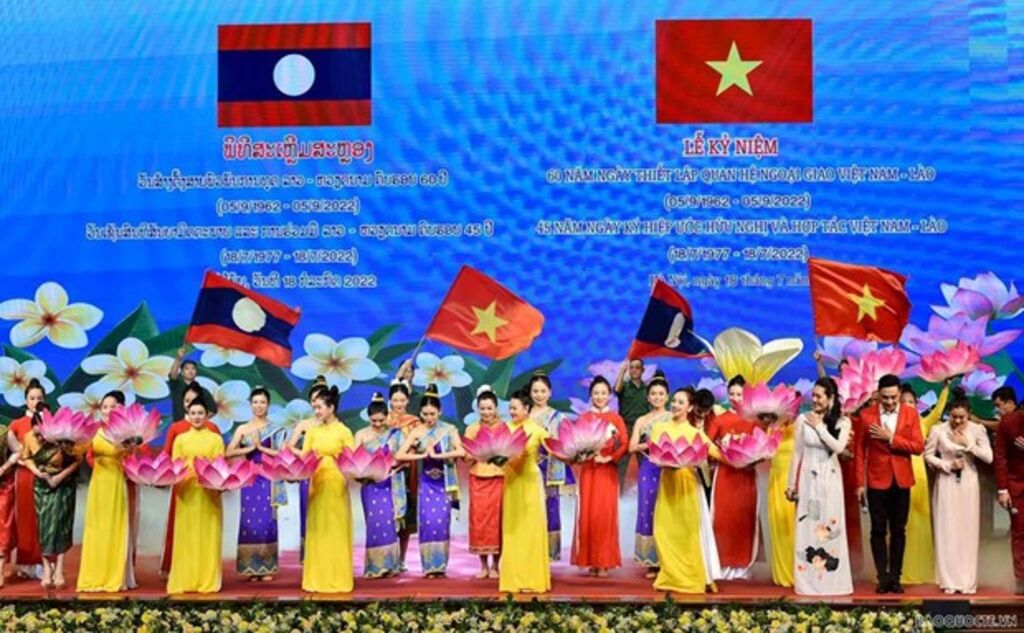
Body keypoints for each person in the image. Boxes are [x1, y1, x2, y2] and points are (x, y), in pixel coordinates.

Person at [854, 373, 925, 594]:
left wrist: (891, 438)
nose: (890, 402)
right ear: (878, 394)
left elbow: (918, 446)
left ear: (899, 393)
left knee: (898, 530)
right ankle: (882, 577)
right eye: (885, 397)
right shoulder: (866, 415)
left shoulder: (910, 414)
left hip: (902, 480)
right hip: (876, 480)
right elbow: (859, 452)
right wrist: (859, 483)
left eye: (894, 397)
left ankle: (895, 577)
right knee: (877, 530)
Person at [785, 377, 853, 596]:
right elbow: (797, 453)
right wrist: (791, 484)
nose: (814, 400)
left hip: (830, 478)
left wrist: (820, 428)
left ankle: (833, 582)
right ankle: (807, 583)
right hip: (808, 480)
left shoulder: (842, 422)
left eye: (819, 396)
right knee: (808, 525)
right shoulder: (803, 419)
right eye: (813, 395)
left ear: (830, 398)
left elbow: (839, 447)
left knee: (829, 527)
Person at [652, 387, 721, 594]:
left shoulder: (695, 434)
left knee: (689, 534)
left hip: (688, 487)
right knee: (663, 532)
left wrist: (743, 456)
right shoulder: (659, 428)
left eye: (681, 402)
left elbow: (716, 453)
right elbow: (655, 455)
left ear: (690, 408)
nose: (675, 405)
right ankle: (670, 576)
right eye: (674, 401)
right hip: (667, 486)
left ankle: (693, 577)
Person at [289, 385, 356, 593]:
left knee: (336, 527)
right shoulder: (312, 431)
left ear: (331, 408)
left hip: (336, 482)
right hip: (316, 481)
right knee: (318, 528)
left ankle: (338, 578)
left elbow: (352, 460)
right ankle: (317, 578)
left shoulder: (344, 431)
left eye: (319, 407)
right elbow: (305, 457)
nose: (316, 411)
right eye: (315, 408)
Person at [926, 397, 992, 594]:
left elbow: (989, 457)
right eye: (953, 417)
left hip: (969, 483)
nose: (957, 421)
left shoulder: (977, 430)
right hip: (946, 483)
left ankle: (967, 581)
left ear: (968, 414)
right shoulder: (938, 430)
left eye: (962, 417)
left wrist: (968, 444)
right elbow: (928, 455)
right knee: (947, 529)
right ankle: (948, 581)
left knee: (967, 530)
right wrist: (946, 465)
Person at [396, 384, 464, 577]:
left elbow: (461, 451)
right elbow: (400, 454)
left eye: (432, 414)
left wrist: (438, 456)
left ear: (440, 411)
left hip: (443, 484)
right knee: (427, 523)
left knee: (441, 523)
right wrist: (422, 456)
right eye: (425, 414)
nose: (429, 418)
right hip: (425, 484)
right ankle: (428, 567)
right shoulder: (417, 431)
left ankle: (440, 566)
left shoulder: (449, 429)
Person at [77, 390, 141, 592]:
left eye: (112, 406)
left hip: (117, 483)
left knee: (115, 527)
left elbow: (134, 461)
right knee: (96, 528)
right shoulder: (94, 430)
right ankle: (94, 574)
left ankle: (116, 575)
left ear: (121, 408)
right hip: (98, 484)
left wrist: (130, 450)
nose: (108, 410)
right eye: (104, 407)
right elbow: (88, 455)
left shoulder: (128, 432)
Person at [159, 383, 221, 576]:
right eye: (187, 402)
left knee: (206, 529)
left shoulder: (214, 431)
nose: (195, 413)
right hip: (184, 487)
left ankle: (205, 571)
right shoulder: (177, 430)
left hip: (207, 489)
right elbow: (168, 456)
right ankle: (177, 568)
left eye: (198, 409)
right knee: (181, 528)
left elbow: (219, 462)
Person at [571, 376, 628, 577]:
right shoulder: (584, 418)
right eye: (596, 393)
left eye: (604, 393)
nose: (600, 396)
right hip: (588, 471)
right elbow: (575, 442)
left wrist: (609, 457)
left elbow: (624, 443)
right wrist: (582, 454)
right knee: (588, 514)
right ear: (590, 395)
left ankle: (603, 562)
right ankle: (590, 560)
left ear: (610, 395)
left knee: (604, 515)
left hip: (607, 471)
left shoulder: (616, 419)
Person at [167, 399, 226, 594]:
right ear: (188, 414)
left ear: (207, 415)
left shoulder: (215, 439)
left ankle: (207, 580)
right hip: (187, 492)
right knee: (187, 536)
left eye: (200, 413)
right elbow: (175, 465)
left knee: (208, 534)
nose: (197, 417)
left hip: (208, 492)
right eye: (193, 413)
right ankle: (185, 579)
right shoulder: (180, 439)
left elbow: (219, 465)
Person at [19, 406, 81, 590]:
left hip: (63, 486)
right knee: (44, 528)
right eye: (36, 434)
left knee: (61, 527)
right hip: (42, 487)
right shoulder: (29, 437)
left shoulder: (62, 438)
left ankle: (59, 569)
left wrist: (58, 478)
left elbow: (77, 461)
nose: (39, 438)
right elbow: (26, 457)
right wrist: (36, 471)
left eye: (42, 434)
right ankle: (47, 569)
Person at [225, 387, 283, 581]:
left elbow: (282, 453)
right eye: (255, 402)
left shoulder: (275, 428)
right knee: (249, 521)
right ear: (250, 405)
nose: (259, 406)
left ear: (268, 405)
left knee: (267, 521)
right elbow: (228, 452)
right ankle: (250, 566)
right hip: (250, 478)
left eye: (263, 402)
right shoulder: (243, 429)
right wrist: (249, 448)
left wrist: (261, 449)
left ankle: (266, 567)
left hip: (268, 477)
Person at [706, 374, 760, 580]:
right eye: (732, 394)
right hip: (725, 476)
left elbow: (763, 446)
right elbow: (706, 444)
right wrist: (725, 458)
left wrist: (752, 460)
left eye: (740, 394)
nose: (736, 398)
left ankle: (742, 566)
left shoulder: (754, 420)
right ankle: (720, 564)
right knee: (723, 519)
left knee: (744, 520)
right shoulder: (720, 420)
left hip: (746, 477)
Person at [899, 381, 950, 585]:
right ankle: (901, 568)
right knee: (901, 521)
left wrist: (945, 388)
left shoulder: (923, 423)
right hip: (899, 473)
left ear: (917, 404)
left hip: (918, 476)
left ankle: (921, 569)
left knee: (920, 521)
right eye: (903, 402)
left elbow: (937, 412)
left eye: (911, 402)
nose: (907, 405)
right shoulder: (893, 424)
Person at [499, 389, 550, 593]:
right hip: (512, 482)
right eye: (510, 408)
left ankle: (531, 579)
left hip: (530, 481)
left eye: (515, 408)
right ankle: (513, 579)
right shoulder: (505, 428)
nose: (512, 411)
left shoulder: (537, 430)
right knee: (513, 530)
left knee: (531, 529)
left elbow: (555, 449)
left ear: (526, 408)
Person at [353, 393, 402, 579]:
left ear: (387, 416)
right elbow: (355, 461)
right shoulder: (361, 435)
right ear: (368, 418)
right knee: (374, 524)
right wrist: (362, 473)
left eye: (381, 420)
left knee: (388, 523)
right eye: (374, 421)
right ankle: (375, 567)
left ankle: (391, 565)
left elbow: (402, 457)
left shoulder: (395, 435)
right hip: (370, 485)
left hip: (389, 484)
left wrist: (394, 464)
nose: (378, 424)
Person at [629, 372, 670, 577]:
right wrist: (650, 444)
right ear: (647, 397)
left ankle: (669, 559)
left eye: (661, 394)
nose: (657, 397)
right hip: (648, 467)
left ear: (667, 397)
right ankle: (652, 561)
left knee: (668, 511)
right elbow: (631, 447)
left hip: (669, 469)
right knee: (648, 509)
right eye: (653, 394)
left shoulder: (673, 418)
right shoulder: (642, 420)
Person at [528, 372, 572, 560]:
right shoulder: (524, 415)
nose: (539, 395)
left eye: (543, 391)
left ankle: (548, 556)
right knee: (528, 511)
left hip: (550, 471)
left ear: (550, 392)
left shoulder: (558, 417)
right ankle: (529, 554)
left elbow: (566, 444)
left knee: (550, 510)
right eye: (535, 391)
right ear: (530, 393)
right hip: (527, 470)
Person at [464, 386, 505, 579]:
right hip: (478, 478)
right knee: (479, 521)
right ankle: (483, 565)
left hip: (498, 478)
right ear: (477, 409)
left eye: (489, 408)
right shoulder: (472, 429)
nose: (486, 412)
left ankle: (496, 565)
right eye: (482, 408)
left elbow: (509, 454)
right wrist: (477, 452)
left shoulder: (504, 427)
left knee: (497, 522)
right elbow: (466, 457)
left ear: (496, 408)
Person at [8, 380, 45, 579]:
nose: (35, 401)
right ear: (26, 401)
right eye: (32, 398)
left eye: (39, 398)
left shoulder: (49, 423)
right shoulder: (16, 425)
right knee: (24, 518)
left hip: (44, 475)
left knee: (43, 519)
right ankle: (24, 564)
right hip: (24, 476)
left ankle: (43, 563)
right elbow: (9, 452)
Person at [387, 380, 420, 571]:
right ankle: (388, 558)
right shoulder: (383, 420)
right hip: (387, 473)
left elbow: (421, 444)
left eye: (402, 400)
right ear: (390, 401)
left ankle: (402, 559)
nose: (398, 404)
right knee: (388, 516)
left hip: (408, 472)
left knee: (405, 519)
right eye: (395, 400)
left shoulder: (414, 422)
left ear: (407, 401)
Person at [994, 386, 1024, 594]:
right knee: (1020, 531)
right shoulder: (1009, 422)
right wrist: (1002, 489)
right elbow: (1001, 457)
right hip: (1017, 485)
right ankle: (1021, 578)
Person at [767, 406, 798, 588]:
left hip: (793, 480)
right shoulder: (772, 427)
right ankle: (781, 573)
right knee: (777, 524)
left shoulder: (801, 426)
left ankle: (797, 572)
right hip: (775, 479)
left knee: (792, 525)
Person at [166, 347, 216, 422]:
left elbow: (213, 410)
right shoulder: (176, 386)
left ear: (196, 372)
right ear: (182, 372)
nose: (190, 371)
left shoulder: (203, 391)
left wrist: (198, 420)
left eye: (193, 369)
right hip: (179, 424)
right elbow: (173, 375)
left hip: (196, 428)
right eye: (187, 369)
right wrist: (178, 358)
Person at [0, 414, 16, 588]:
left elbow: (18, 451)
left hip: (2, 486)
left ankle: (0, 570)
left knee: (2, 527)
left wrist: (4, 467)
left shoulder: (4, 432)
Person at [614, 358, 650, 435]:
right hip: (626, 427)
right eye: (631, 367)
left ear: (643, 370)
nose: (634, 370)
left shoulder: (648, 389)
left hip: (643, 427)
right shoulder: (624, 386)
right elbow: (616, 389)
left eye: (637, 367)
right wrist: (622, 371)